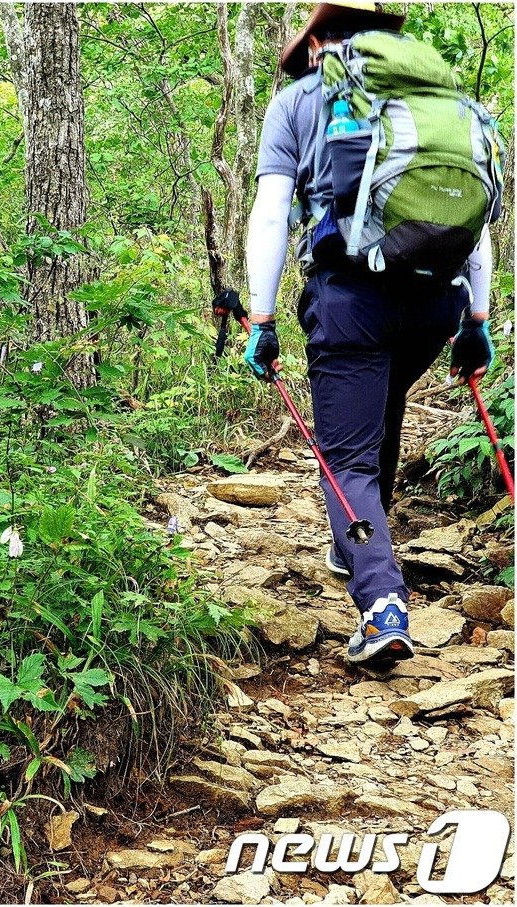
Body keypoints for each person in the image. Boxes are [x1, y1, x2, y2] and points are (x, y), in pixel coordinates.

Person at [243, 1, 498, 667]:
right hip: (438, 302)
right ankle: (358, 541)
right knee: (377, 408)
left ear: (320, 38)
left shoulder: (299, 101)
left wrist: (262, 319)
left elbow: (272, 212)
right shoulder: (442, 106)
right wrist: (477, 321)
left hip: (352, 299)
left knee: (346, 457)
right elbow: (476, 223)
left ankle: (381, 601)